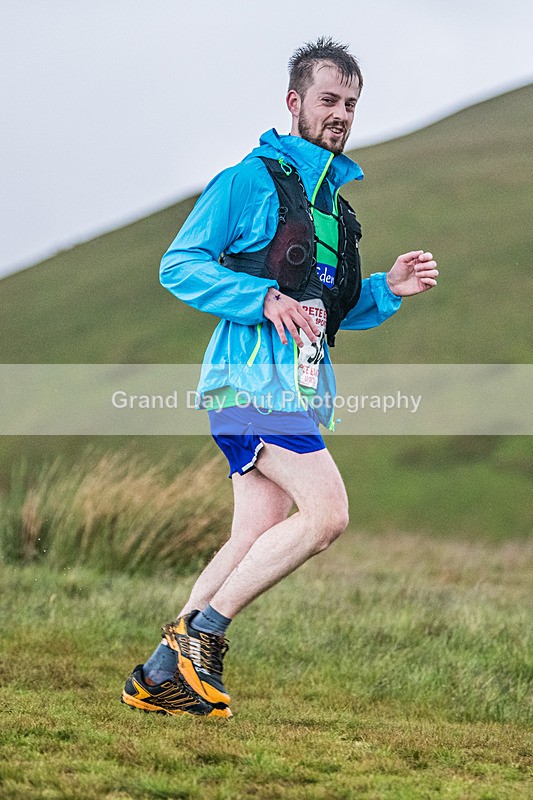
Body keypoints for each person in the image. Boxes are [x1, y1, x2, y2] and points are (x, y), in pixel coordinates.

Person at [121, 37, 438, 718]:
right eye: (328, 100)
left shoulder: (332, 207)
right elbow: (179, 264)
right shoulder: (248, 179)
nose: (340, 114)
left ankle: (155, 677)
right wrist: (259, 299)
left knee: (252, 535)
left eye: (350, 104)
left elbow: (324, 307)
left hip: (292, 392)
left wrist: (387, 287)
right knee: (326, 516)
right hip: (249, 385)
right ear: (294, 102)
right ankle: (199, 638)